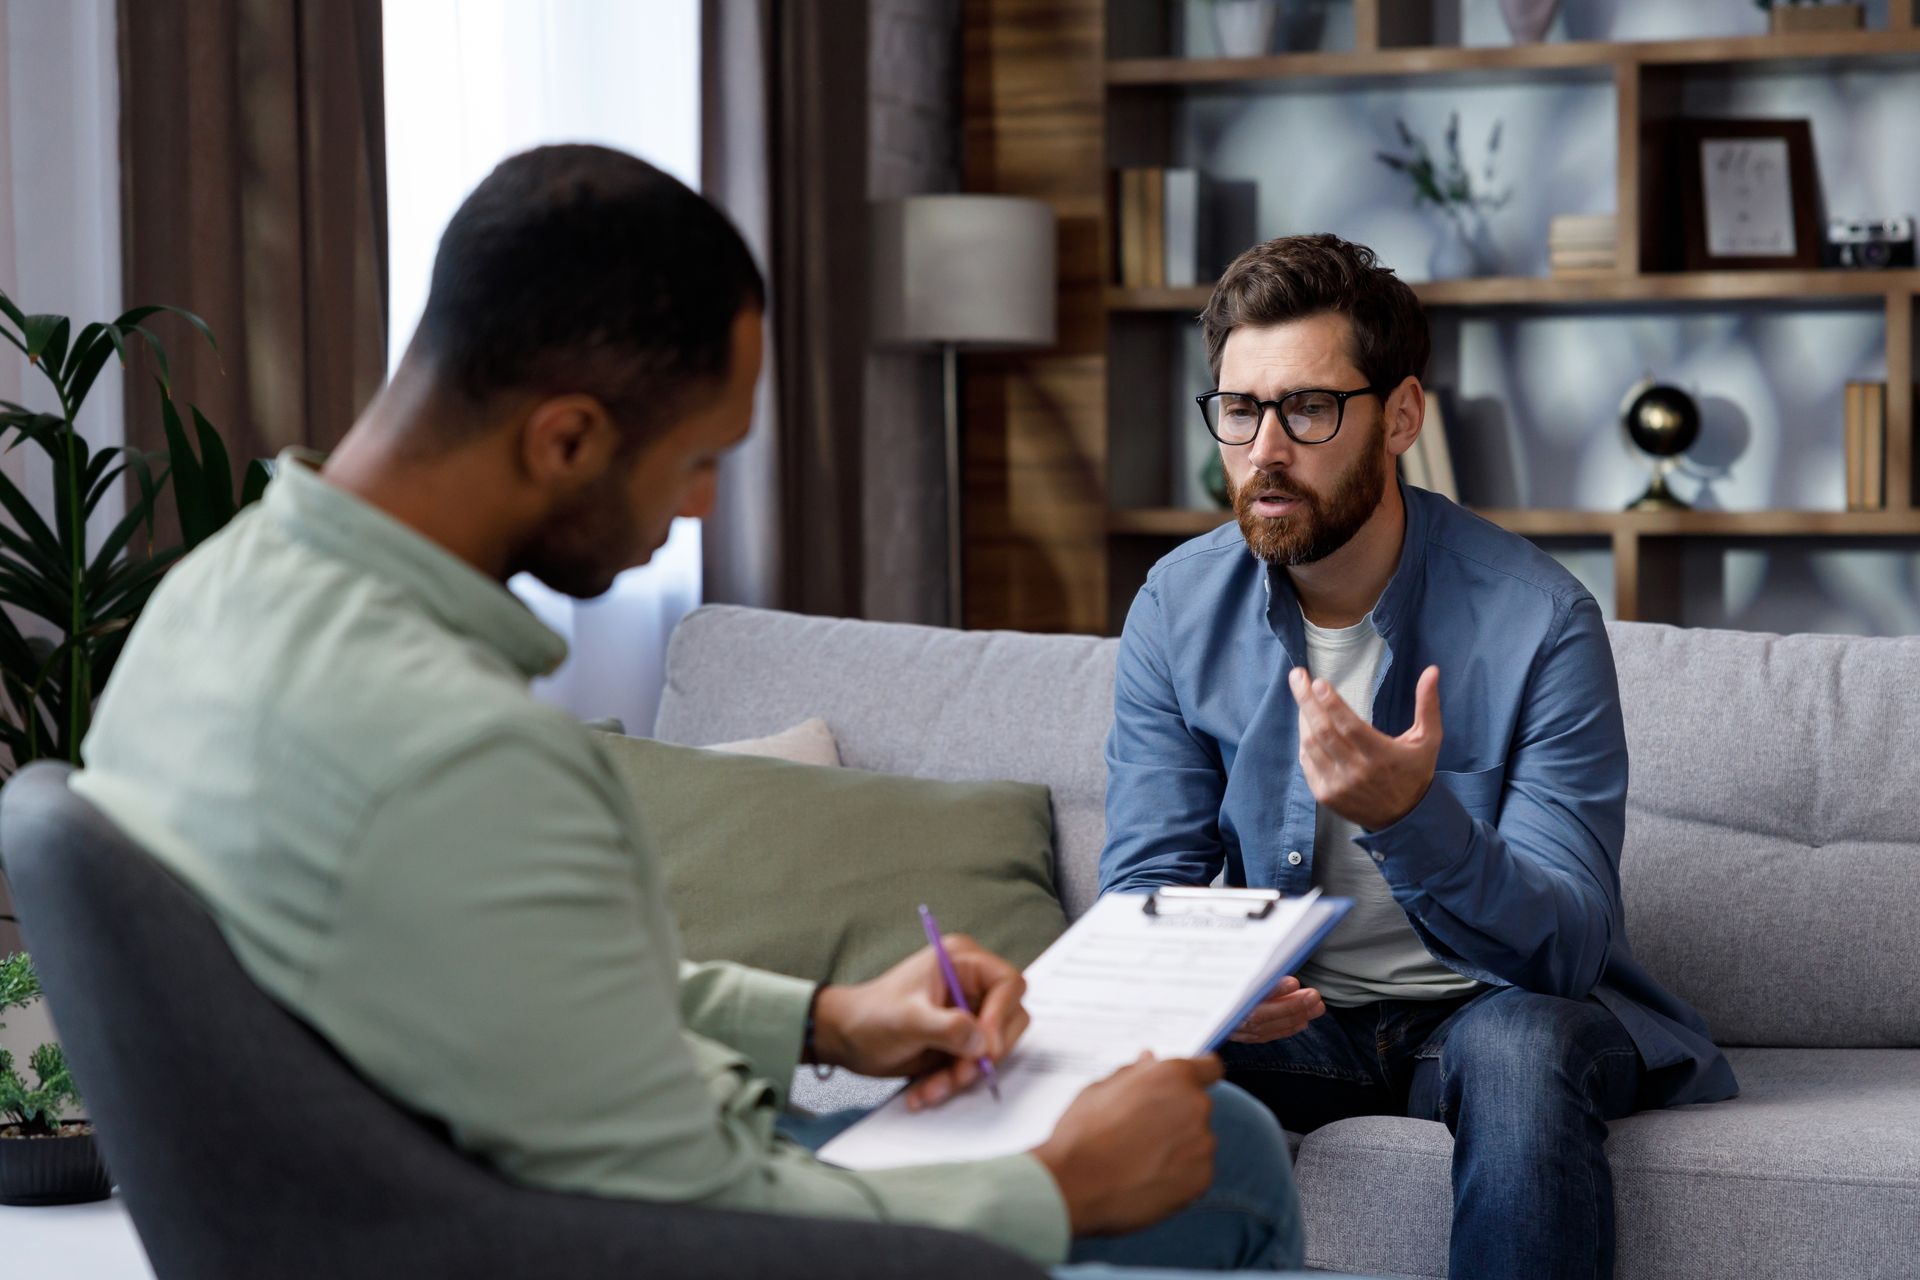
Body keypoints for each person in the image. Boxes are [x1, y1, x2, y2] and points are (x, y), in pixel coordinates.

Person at [71, 144, 1319, 1276]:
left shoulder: (206, 609)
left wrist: (827, 1016)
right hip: (626, 1228)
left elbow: (497, 981)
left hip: (485, 1180)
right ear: (565, 438)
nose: (704, 511)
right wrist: (1056, 1189)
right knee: (1230, 1152)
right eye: (697, 460)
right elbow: (699, 1221)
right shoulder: (458, 750)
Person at [1098, 233, 1739, 1280]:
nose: (1264, 448)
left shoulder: (1541, 620)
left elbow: (1567, 947)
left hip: (1488, 1007)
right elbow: (1144, 889)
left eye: (1308, 408)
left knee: (1523, 1047)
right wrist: (1202, 984)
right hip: (1300, 1021)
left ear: (1400, 416)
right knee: (1116, 1064)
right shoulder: (1176, 605)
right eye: (1239, 409)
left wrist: (1411, 817)